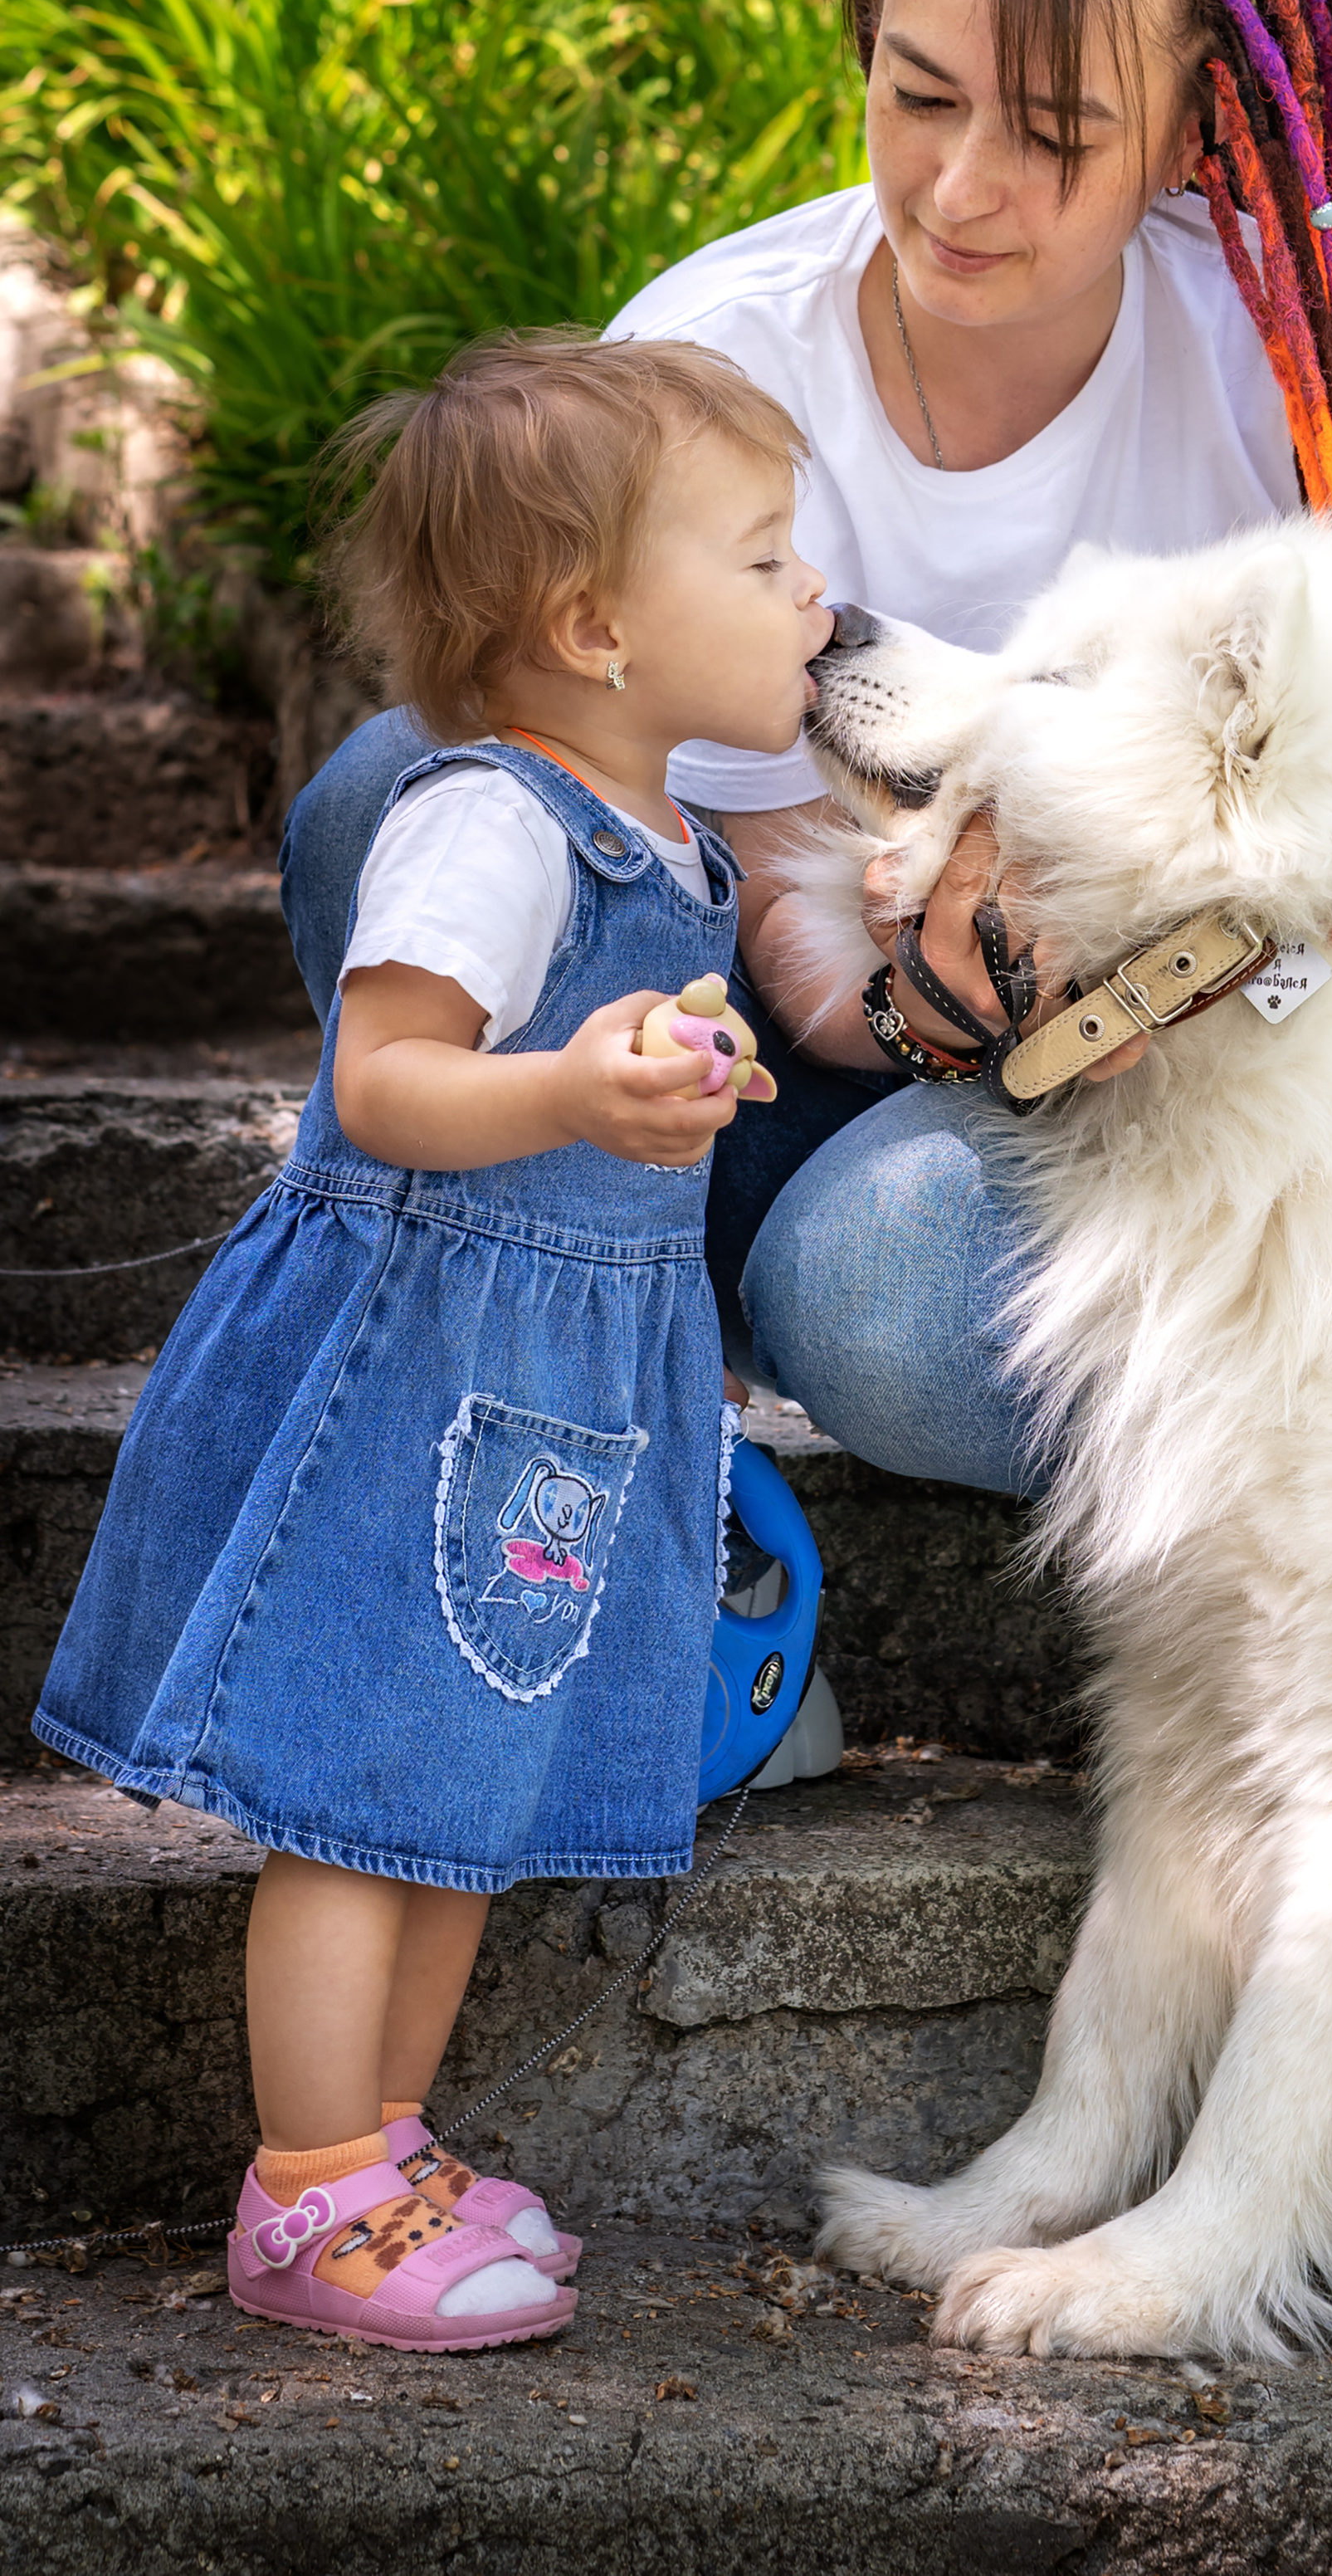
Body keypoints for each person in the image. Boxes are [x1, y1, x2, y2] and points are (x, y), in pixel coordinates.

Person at [282, 0, 1332, 1504]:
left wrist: (1174, 965)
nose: (960, 190)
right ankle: (604, 1420)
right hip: (734, 1065)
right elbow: (746, 910)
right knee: (403, 800)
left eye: (1055, 132)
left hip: (1174, 1118)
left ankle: (711, 1397)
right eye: (917, 98)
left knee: (896, 1291)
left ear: (1191, 131)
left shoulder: (1321, 387)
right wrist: (934, 1000)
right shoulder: (711, 358)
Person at [36, 335, 827, 2351]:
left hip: (560, 1378)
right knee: (358, 1772)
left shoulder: (664, 841)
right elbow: (383, 1080)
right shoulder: (488, 825)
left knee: (462, 1782)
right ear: (593, 626)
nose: (814, 596)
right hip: (423, 1373)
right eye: (762, 561)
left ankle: (385, 2145)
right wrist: (570, 1089)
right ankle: (304, 2194)